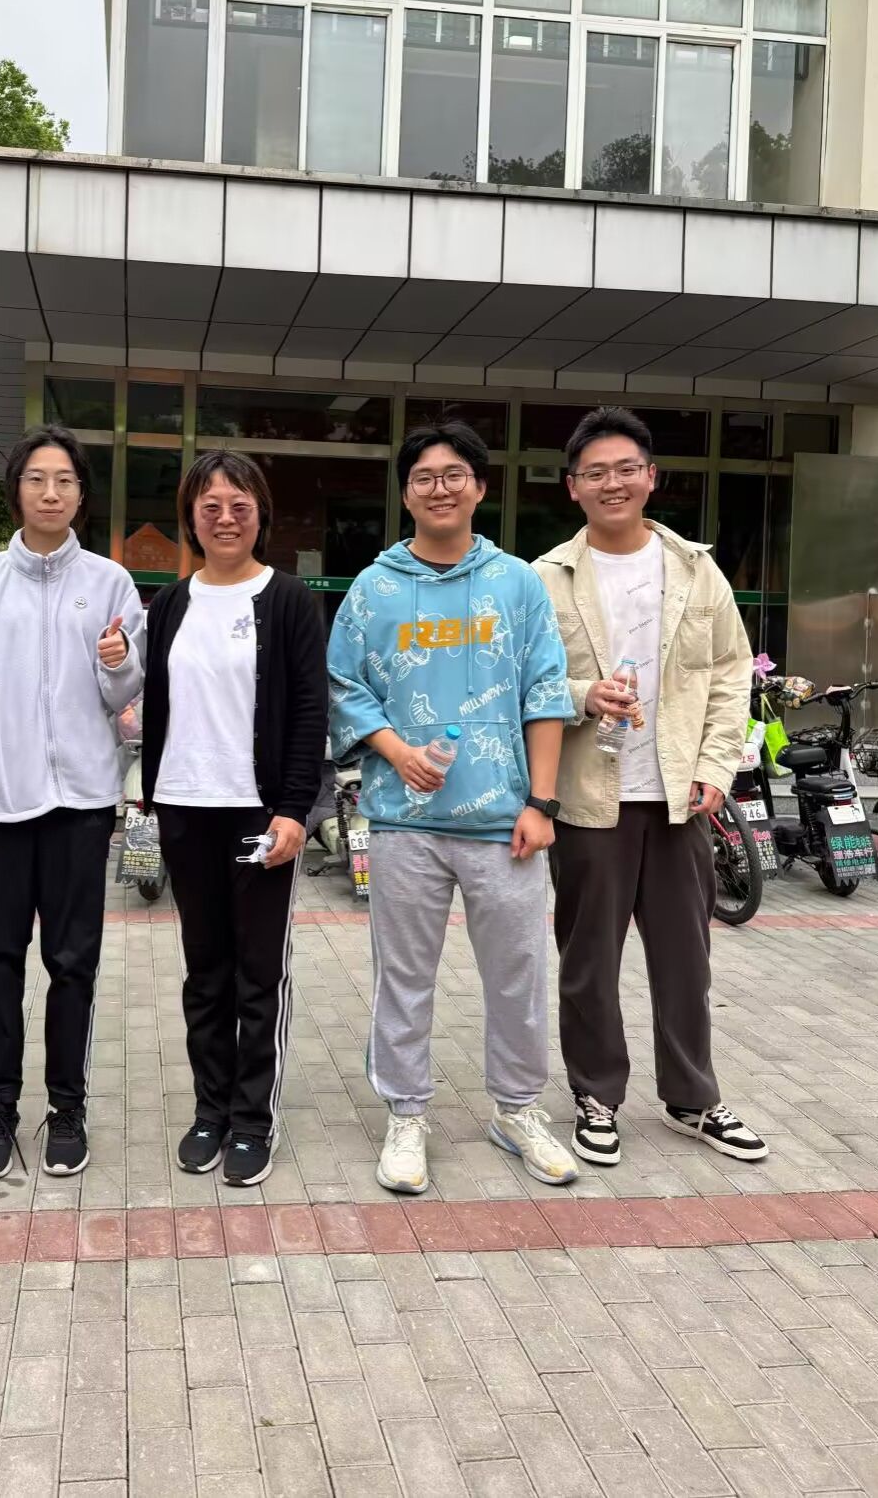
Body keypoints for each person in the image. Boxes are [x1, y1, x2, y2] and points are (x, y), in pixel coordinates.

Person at [328, 421, 578, 1196]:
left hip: (506, 824)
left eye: (453, 474)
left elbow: (545, 691)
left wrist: (541, 802)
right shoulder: (374, 589)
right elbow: (344, 685)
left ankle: (518, 1109)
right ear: (406, 494)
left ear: (479, 486)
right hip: (404, 823)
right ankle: (407, 1115)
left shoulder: (517, 584)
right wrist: (394, 750)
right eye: (424, 477)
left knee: (518, 976)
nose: (439, 488)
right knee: (403, 979)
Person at [535, 406, 767, 1168]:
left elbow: (731, 670)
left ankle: (693, 1098)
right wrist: (582, 695)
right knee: (588, 964)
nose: (613, 483)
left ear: (651, 477)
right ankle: (596, 1095)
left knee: (685, 961)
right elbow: (523, 681)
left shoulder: (695, 570)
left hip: (678, 799)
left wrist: (715, 766)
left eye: (626, 469)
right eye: (596, 472)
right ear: (573, 486)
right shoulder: (546, 578)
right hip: (588, 800)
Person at [0, 425, 143, 1181]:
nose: (51, 493)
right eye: (36, 479)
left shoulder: (112, 583)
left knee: (72, 963)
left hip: (81, 802)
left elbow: (125, 693)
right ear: (16, 490)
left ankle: (68, 1108)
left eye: (65, 481)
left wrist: (118, 662)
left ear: (81, 494)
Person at [142, 450, 327, 1187]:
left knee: (258, 973)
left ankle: (253, 1119)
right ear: (191, 517)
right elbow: (154, 702)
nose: (225, 518)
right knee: (205, 973)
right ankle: (209, 1110)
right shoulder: (170, 604)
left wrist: (294, 810)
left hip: (258, 813)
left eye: (239, 505)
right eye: (210, 506)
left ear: (260, 515)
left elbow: (309, 710)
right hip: (185, 807)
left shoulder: (287, 600)